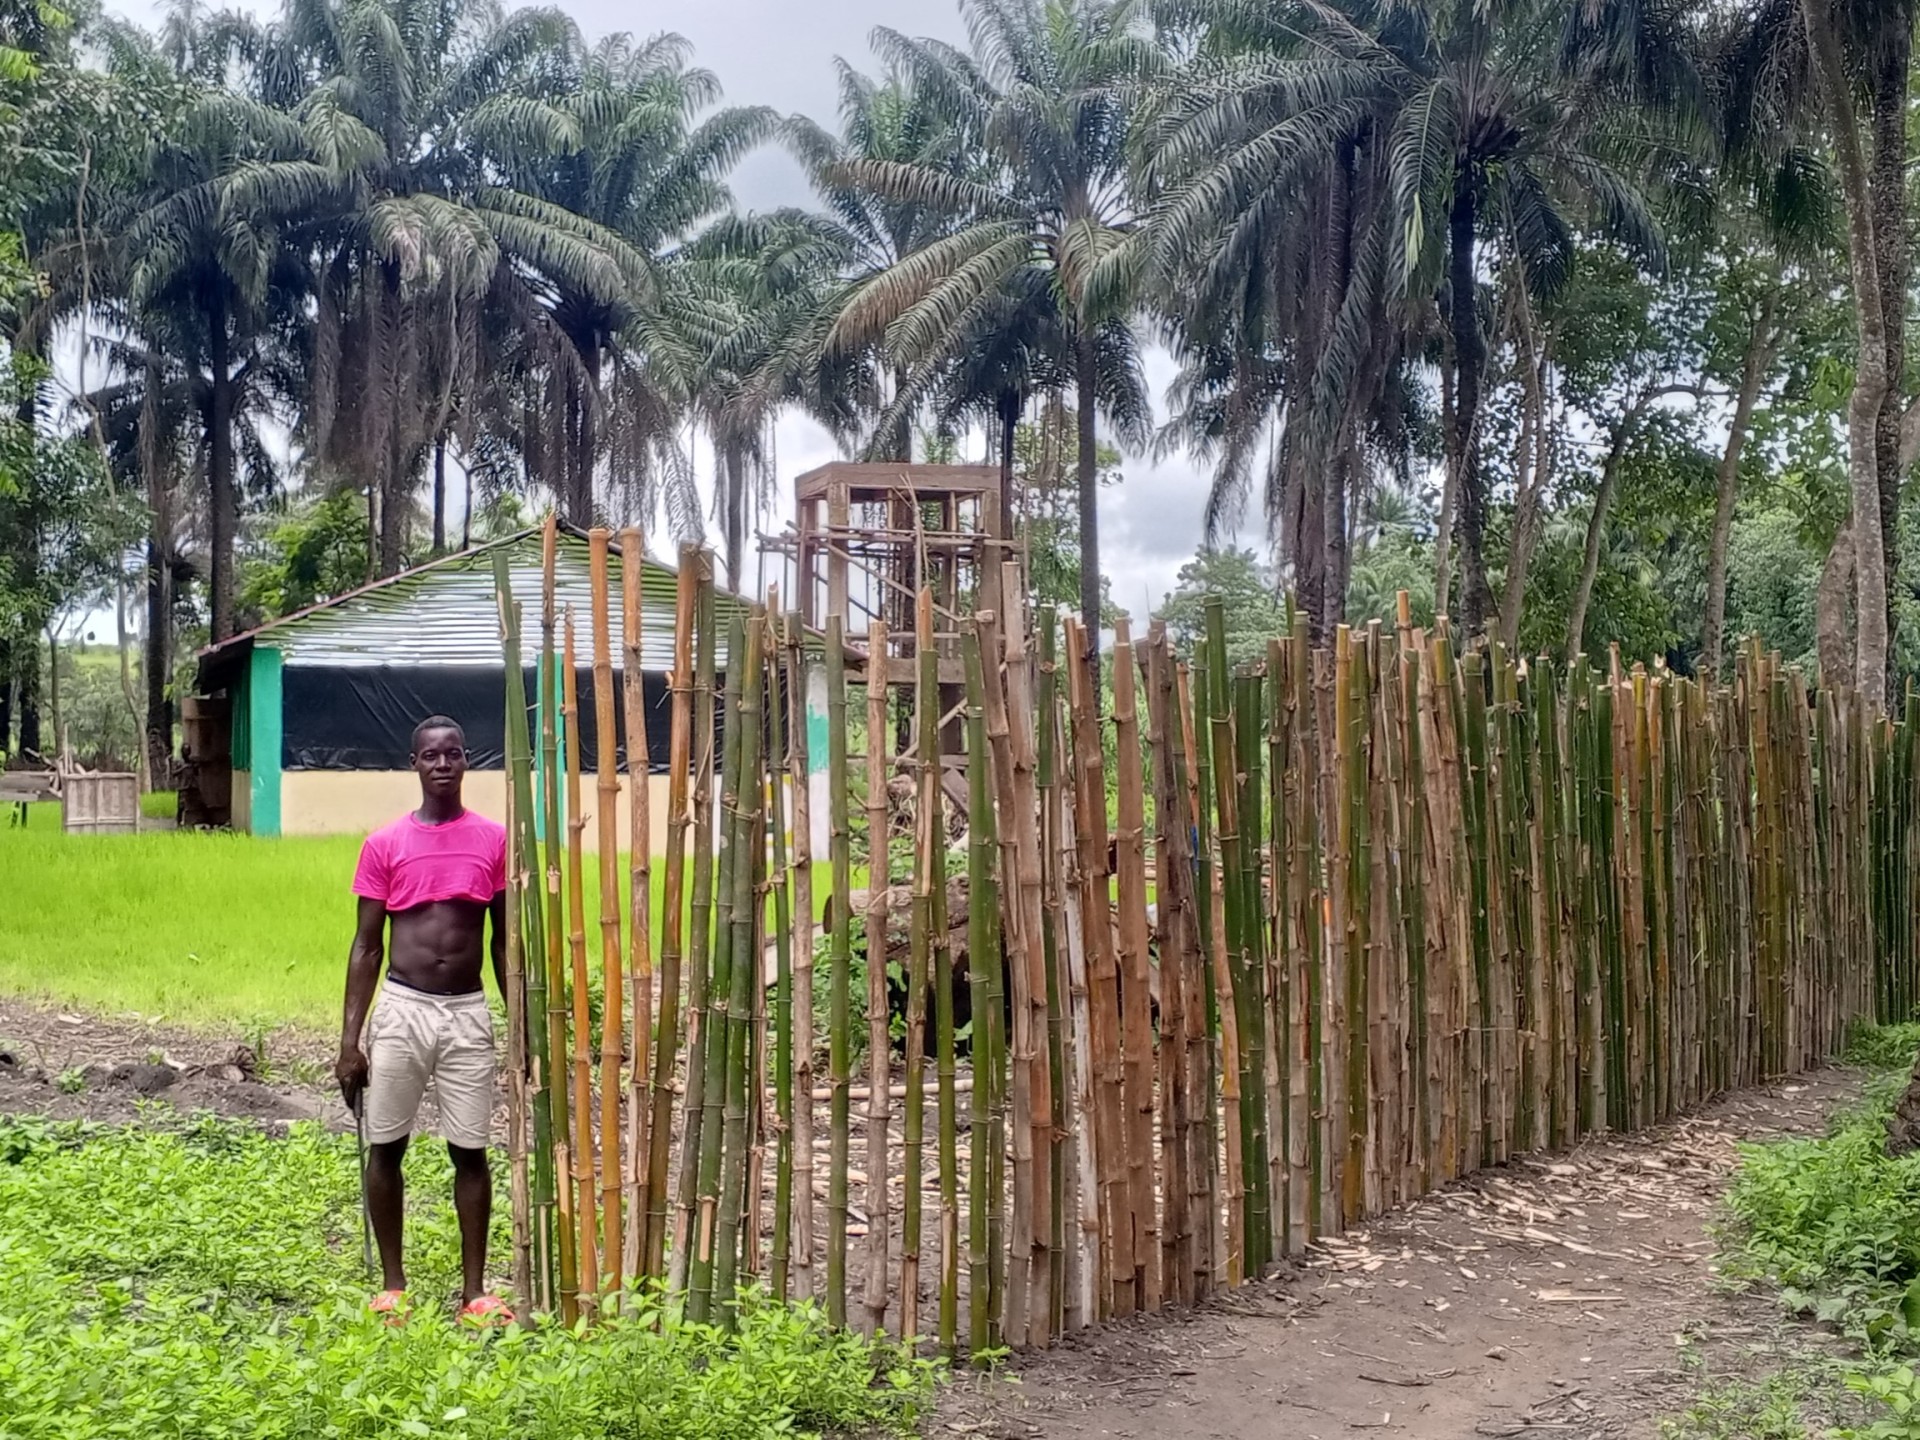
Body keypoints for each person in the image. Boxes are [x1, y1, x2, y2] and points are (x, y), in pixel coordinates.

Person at [334, 715, 512, 1324]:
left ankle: (474, 1293)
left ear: (467, 761)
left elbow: (504, 942)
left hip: (467, 1012)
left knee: (471, 1152)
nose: (442, 764)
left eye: (452, 754)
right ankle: (393, 1286)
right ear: (414, 763)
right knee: (387, 1146)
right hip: (402, 1009)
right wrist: (350, 1043)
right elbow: (366, 947)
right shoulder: (384, 844)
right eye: (431, 755)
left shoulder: (494, 840)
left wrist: (519, 1022)